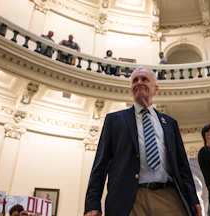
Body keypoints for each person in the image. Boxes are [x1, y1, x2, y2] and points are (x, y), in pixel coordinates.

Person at [84, 66, 201, 216]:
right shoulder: (115, 120)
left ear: (155, 89)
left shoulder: (170, 123)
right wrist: (92, 204)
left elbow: (182, 166)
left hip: (169, 196)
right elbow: (100, 165)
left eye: (144, 79)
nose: (139, 82)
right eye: (135, 80)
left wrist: (193, 199)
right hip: (129, 198)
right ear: (131, 90)